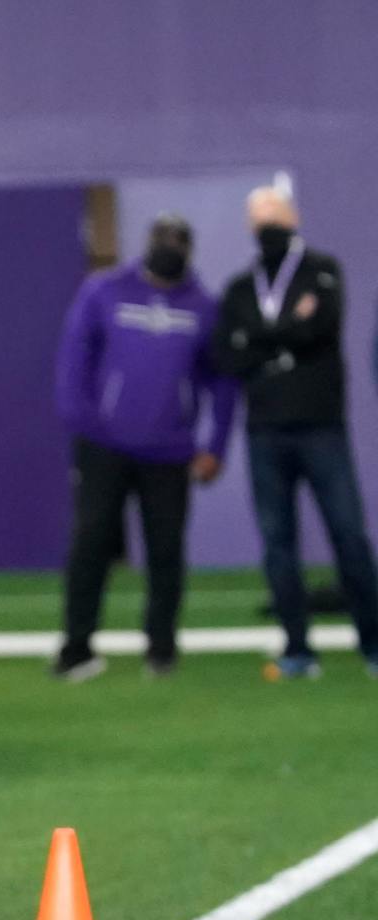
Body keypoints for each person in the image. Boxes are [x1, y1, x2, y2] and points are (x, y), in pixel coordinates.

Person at [52, 215, 239, 681]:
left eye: (178, 242)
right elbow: (74, 357)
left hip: (170, 450)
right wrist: (83, 420)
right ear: (148, 243)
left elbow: (223, 381)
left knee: (166, 550)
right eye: (163, 240)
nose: (169, 248)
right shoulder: (104, 291)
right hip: (103, 446)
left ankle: (161, 649)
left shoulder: (204, 307)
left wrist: (214, 444)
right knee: (91, 541)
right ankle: (77, 647)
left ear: (189, 250)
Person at [212, 187, 378, 679]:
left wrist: (261, 340)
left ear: (294, 217)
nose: (268, 225)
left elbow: (320, 328)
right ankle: (298, 649)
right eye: (258, 217)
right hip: (265, 430)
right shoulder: (242, 287)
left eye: (275, 215)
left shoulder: (322, 271)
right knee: (278, 543)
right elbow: (228, 355)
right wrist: (287, 334)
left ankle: (373, 642)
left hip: (321, 426)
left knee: (348, 535)